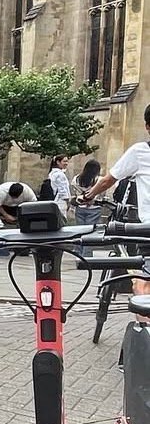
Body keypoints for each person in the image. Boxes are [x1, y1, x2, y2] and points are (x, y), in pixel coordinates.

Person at [87, 105, 150, 293]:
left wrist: (87, 196)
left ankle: (145, 322)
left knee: (144, 280)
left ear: (147, 126)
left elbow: (108, 180)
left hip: (149, 227)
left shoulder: (141, 151)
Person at [74, 158, 103, 227]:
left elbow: (76, 193)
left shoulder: (76, 179)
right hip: (94, 208)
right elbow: (101, 195)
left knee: (80, 229)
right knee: (90, 230)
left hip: (80, 207)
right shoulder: (100, 180)